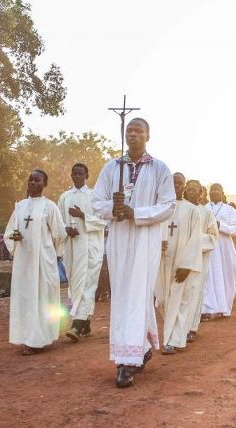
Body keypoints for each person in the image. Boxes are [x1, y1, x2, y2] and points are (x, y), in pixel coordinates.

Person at [92, 117, 176, 388]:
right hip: (118, 238)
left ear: (148, 135)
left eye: (138, 131)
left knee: (138, 293)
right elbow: (97, 202)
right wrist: (113, 209)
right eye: (129, 130)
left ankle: (125, 362)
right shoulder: (112, 168)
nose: (133, 134)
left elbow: (168, 205)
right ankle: (140, 347)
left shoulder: (160, 169)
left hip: (145, 239)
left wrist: (135, 213)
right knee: (123, 294)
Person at [5, 169, 66, 355]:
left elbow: (59, 234)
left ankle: (39, 338)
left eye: (37, 180)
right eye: (30, 179)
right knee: (25, 297)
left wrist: (50, 253)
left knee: (42, 298)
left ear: (44, 184)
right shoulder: (20, 206)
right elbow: (9, 232)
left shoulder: (50, 207)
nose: (32, 183)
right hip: (23, 261)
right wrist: (14, 238)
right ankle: (26, 337)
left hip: (43, 261)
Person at [58, 163, 106, 342]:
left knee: (87, 284)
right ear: (71, 175)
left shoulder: (95, 196)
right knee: (75, 284)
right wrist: (66, 230)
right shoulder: (64, 197)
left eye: (80, 174)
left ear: (87, 175)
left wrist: (82, 215)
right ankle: (85, 322)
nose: (77, 176)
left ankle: (77, 325)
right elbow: (59, 222)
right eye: (74, 173)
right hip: (71, 247)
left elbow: (103, 222)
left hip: (90, 247)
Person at [155, 173, 203, 355]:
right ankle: (171, 336)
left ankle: (173, 340)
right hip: (161, 261)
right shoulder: (160, 208)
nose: (176, 186)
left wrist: (187, 265)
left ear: (184, 186)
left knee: (180, 301)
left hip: (182, 263)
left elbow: (196, 240)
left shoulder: (191, 210)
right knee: (161, 300)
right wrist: (157, 244)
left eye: (179, 183)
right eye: (172, 182)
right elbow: (152, 230)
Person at [183, 180, 218, 343]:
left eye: (195, 190)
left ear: (201, 193)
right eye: (189, 189)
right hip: (179, 258)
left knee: (195, 292)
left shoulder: (207, 213)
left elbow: (213, 237)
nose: (192, 192)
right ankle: (178, 326)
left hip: (199, 258)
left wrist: (194, 241)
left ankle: (191, 327)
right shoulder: (177, 209)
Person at [202, 183, 236, 320]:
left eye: (217, 190)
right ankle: (207, 309)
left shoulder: (230, 210)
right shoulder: (204, 208)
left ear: (222, 193)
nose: (214, 192)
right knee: (208, 278)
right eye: (212, 190)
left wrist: (220, 226)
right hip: (209, 247)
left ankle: (225, 308)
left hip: (225, 248)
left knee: (227, 278)